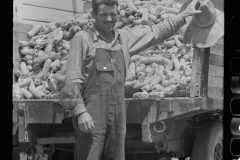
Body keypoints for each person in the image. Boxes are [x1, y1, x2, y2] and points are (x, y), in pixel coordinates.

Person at [58, 0, 201, 159]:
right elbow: (71, 80)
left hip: (118, 118)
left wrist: (182, 16)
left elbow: (156, 32)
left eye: (113, 14)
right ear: (94, 15)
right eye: (104, 14)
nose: (109, 19)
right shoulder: (83, 39)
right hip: (91, 118)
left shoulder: (124, 39)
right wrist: (80, 111)